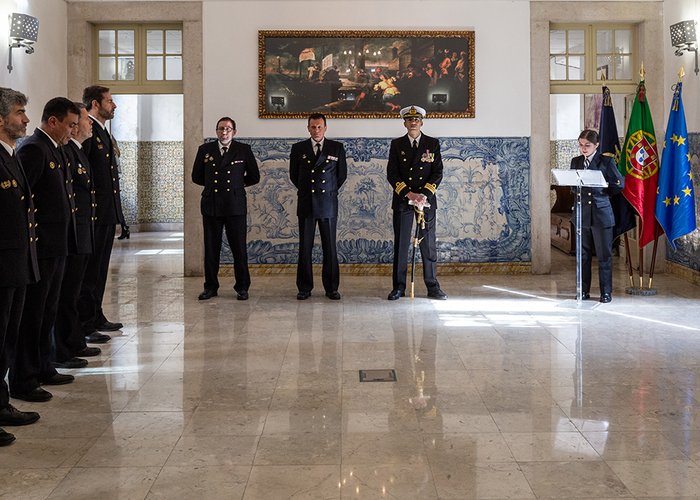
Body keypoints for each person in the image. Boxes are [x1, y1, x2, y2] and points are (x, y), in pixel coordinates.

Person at [12, 97, 80, 402]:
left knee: (48, 309)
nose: (72, 131)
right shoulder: (34, 149)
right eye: (69, 125)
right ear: (53, 121)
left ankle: (43, 366)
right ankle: (25, 377)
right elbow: (25, 202)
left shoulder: (55, 148)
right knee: (33, 314)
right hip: (40, 248)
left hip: (57, 245)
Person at [0, 88, 41, 445]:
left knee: (6, 341)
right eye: (19, 112)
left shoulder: (10, 154)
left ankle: (1, 404)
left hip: (15, 264)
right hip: (1, 266)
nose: (25, 119)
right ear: (0, 119)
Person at [53, 103, 101, 369]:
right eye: (84, 120)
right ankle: (64, 347)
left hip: (82, 231)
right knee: (66, 294)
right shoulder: (65, 152)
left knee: (74, 291)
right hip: (70, 234)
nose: (88, 124)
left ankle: (73, 342)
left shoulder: (78, 151)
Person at [192, 117, 260, 300]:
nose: (224, 132)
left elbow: (254, 176)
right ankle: (211, 287)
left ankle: (242, 287)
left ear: (234, 132)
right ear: (216, 131)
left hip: (235, 206)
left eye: (228, 129)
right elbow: (196, 176)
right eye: (221, 129)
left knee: (239, 249)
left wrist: (237, 186)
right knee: (211, 249)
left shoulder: (243, 150)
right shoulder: (205, 150)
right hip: (211, 205)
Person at [386, 105, 447, 301]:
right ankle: (399, 287)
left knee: (428, 245)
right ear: (404, 123)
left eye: (417, 120)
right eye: (410, 120)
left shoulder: (432, 143)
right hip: (404, 201)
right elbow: (392, 173)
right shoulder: (397, 145)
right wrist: (409, 194)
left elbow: (438, 172)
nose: (413, 122)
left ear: (421, 122)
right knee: (402, 245)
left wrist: (424, 195)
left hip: (426, 202)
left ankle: (432, 286)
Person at [79, 86, 124, 343]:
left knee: (99, 269)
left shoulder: (102, 131)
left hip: (106, 213)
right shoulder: (88, 131)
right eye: (110, 100)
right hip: (93, 214)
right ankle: (85, 322)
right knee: (90, 271)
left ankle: (96, 315)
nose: (114, 105)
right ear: (96, 103)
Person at [289, 113, 347, 300]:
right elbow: (294, 176)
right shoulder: (298, 148)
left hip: (328, 204)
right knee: (305, 247)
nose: (316, 130)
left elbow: (341, 176)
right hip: (306, 202)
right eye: (313, 127)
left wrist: (328, 191)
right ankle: (304, 287)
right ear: (308, 128)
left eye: (319, 126)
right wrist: (309, 190)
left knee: (329, 247)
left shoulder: (336, 148)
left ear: (325, 127)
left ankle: (331, 288)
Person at [570, 129, 624, 303]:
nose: (583, 149)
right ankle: (582, 291)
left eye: (587, 145)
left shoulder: (606, 161)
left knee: (604, 256)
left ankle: (605, 292)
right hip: (582, 214)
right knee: (583, 255)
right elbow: (572, 186)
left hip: (601, 213)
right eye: (581, 145)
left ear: (596, 145)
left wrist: (602, 191)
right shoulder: (576, 161)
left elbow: (618, 184)